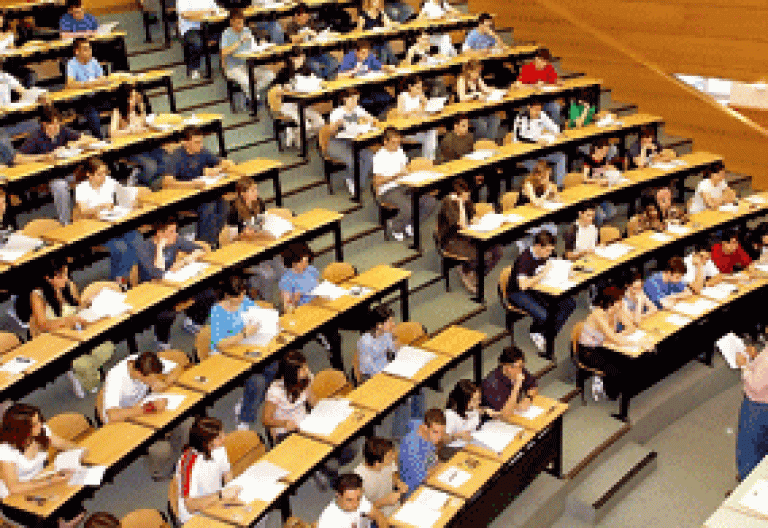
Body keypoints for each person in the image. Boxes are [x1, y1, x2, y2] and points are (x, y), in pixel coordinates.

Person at [21, 258, 114, 398]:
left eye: (66, 273)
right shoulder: (37, 295)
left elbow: (77, 307)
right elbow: (43, 325)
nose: (66, 278)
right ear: (48, 278)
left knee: (107, 348)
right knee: (83, 363)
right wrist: (67, 321)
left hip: (77, 330)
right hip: (55, 338)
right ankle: (85, 376)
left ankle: (86, 371)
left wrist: (88, 303)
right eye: (61, 275)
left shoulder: (69, 285)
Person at [102, 350, 190, 480]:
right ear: (138, 373)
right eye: (151, 379)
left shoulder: (142, 361)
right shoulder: (115, 377)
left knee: (186, 422)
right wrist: (150, 408)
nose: (155, 381)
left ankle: (177, 461)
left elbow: (177, 367)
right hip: (122, 420)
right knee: (161, 449)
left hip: (143, 410)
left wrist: (166, 383)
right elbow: (113, 416)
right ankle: (160, 472)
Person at [210, 275, 280, 432]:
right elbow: (219, 345)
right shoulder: (217, 312)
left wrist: (270, 322)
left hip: (246, 349)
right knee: (257, 381)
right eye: (238, 296)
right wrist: (243, 335)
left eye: (243, 293)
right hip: (226, 357)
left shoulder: (245, 302)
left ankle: (247, 401)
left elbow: (258, 316)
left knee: (273, 366)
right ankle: (245, 418)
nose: (242, 297)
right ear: (227, 295)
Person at [136, 217, 217, 348]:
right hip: (153, 291)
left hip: (174, 283)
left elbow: (201, 249)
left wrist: (183, 262)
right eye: (172, 231)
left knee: (209, 294)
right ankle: (161, 340)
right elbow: (157, 273)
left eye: (175, 230)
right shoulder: (143, 248)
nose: (176, 234)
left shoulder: (176, 240)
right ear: (160, 233)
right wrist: (160, 248)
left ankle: (194, 322)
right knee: (167, 314)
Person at [0, 404, 85, 528]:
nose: (40, 425)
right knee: (45, 520)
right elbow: (14, 488)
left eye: (39, 420)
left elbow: (61, 443)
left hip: (40, 482)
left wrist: (81, 451)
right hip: (15, 496)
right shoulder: (5, 450)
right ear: (21, 429)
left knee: (76, 509)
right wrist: (50, 481)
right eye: (34, 424)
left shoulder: (41, 431)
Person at [16, 107, 95, 225]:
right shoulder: (36, 137)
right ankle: (66, 223)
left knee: (91, 175)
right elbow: (17, 159)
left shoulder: (62, 130)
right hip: (48, 177)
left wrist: (71, 145)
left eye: (58, 123)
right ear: (44, 124)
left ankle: (91, 215)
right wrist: (43, 157)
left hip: (67, 171)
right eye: (53, 124)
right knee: (60, 187)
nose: (57, 127)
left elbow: (88, 139)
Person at [356, 305, 424, 437]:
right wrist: (388, 376)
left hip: (388, 370)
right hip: (372, 377)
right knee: (403, 395)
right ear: (379, 325)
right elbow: (366, 368)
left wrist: (401, 349)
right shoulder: (365, 342)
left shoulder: (386, 334)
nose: (393, 324)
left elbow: (394, 350)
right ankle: (400, 433)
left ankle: (417, 422)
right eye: (390, 321)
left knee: (418, 387)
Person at [505, 231, 576, 354]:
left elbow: (555, 263)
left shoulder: (548, 253)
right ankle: (536, 331)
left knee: (569, 304)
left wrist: (567, 272)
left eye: (551, 250)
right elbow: (523, 285)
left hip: (540, 287)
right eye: (547, 251)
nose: (549, 254)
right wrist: (543, 273)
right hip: (518, 293)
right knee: (545, 315)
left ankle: (545, 334)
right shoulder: (525, 258)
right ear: (538, 246)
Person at [74, 158, 142, 285]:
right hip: (95, 230)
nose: (104, 177)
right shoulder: (81, 188)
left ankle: (127, 279)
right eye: (99, 174)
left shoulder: (109, 182)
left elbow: (124, 194)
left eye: (105, 173)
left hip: (113, 224)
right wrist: (101, 207)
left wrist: (131, 202)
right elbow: (83, 211)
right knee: (121, 247)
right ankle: (120, 281)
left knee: (136, 239)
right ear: (89, 175)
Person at [163, 128, 234, 245]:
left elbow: (225, 163)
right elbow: (167, 182)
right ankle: (204, 244)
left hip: (202, 194)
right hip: (184, 198)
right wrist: (191, 185)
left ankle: (208, 242)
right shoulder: (176, 156)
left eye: (201, 141)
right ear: (186, 143)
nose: (200, 145)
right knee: (208, 206)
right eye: (197, 142)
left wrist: (217, 169)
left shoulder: (202, 151)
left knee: (223, 202)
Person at [579, 287, 652, 400]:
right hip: (588, 351)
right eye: (619, 300)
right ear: (611, 302)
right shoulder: (598, 315)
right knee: (617, 368)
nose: (622, 302)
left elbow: (631, 327)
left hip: (605, 346)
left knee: (629, 362)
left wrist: (619, 336)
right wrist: (638, 343)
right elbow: (614, 339)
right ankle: (608, 390)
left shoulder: (617, 310)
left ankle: (622, 390)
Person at [436, 179, 502, 294]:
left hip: (468, 236)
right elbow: (461, 225)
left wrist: (475, 219)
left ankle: (474, 273)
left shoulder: (467, 200)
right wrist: (461, 205)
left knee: (497, 251)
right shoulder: (448, 203)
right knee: (482, 255)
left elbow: (472, 217)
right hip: (451, 240)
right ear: (457, 196)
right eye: (466, 196)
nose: (468, 198)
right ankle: (466, 272)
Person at [372, 127, 437, 241]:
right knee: (408, 207)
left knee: (430, 202)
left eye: (398, 142)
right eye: (393, 143)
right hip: (387, 190)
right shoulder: (379, 157)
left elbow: (405, 168)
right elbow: (377, 182)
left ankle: (410, 224)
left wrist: (409, 172)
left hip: (403, 185)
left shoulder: (400, 151)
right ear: (385, 142)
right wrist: (395, 176)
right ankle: (396, 226)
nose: (396, 145)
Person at [225, 177, 284, 302]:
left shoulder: (259, 203)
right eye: (252, 190)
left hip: (261, 247)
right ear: (243, 193)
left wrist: (262, 229)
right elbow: (231, 238)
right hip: (246, 255)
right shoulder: (233, 210)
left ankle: (286, 303)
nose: (256, 192)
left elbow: (260, 224)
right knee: (268, 275)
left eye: (256, 189)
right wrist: (242, 235)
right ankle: (267, 305)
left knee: (282, 271)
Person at [176, 416, 241, 523]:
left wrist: (231, 491)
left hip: (214, 503)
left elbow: (227, 473)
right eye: (219, 437)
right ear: (206, 443)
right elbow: (190, 506)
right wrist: (220, 495)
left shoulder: (219, 448)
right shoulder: (187, 464)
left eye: (223, 433)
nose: (224, 438)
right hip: (195, 517)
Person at [109, 82, 166, 190]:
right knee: (151, 166)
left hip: (145, 145)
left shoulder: (138, 109)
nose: (135, 100)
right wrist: (129, 131)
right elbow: (112, 133)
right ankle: (137, 180)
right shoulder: (118, 112)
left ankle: (148, 184)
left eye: (135, 97)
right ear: (125, 98)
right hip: (130, 149)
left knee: (166, 160)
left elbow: (143, 125)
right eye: (132, 97)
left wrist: (142, 109)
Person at [221, 9, 275, 109]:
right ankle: (254, 99)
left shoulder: (246, 30)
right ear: (231, 22)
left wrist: (263, 47)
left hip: (247, 65)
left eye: (241, 23)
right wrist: (239, 42)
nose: (239, 26)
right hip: (233, 67)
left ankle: (249, 94)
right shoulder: (226, 33)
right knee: (247, 81)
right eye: (236, 23)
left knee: (270, 75)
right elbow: (223, 52)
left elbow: (253, 48)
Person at [326, 89, 377, 195]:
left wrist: (370, 119)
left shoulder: (357, 109)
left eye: (357, 99)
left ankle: (357, 183)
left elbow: (373, 119)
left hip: (353, 142)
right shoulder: (337, 112)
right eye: (352, 99)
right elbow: (331, 132)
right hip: (337, 143)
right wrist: (336, 125)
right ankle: (351, 181)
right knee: (352, 160)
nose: (355, 102)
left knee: (369, 157)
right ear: (345, 99)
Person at [273, 51, 325, 148]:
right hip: (288, 105)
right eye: (297, 58)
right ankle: (298, 138)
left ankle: (297, 134)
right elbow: (274, 90)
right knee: (306, 125)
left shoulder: (307, 70)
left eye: (302, 58)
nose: (300, 60)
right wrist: (283, 89)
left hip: (302, 104)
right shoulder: (284, 72)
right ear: (291, 59)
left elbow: (314, 83)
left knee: (320, 122)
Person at [262, 349, 316, 443]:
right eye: (302, 369)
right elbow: (265, 419)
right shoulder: (275, 390)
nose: (306, 370)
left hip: (303, 422)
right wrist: (284, 423)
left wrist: (328, 404)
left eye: (306, 366)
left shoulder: (307, 378)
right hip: (285, 429)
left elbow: (312, 400)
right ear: (291, 373)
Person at [734, 340, 768, 480]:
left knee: (748, 448)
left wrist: (744, 367)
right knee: (764, 443)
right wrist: (756, 358)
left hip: (758, 407)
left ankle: (747, 481)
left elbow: (755, 386)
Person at [513, 102, 568, 187]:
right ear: (529, 107)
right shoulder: (520, 118)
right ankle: (540, 190)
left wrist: (557, 133)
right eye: (535, 110)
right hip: (525, 156)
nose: (537, 112)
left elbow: (553, 126)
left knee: (561, 157)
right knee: (540, 169)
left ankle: (559, 186)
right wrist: (536, 141)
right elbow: (520, 137)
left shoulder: (541, 115)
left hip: (539, 151)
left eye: (539, 109)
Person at [66, 38, 110, 139]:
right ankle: (99, 139)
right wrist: (90, 84)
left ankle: (114, 134)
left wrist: (92, 83)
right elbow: (70, 84)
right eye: (85, 49)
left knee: (119, 100)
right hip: (81, 99)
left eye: (90, 49)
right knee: (91, 111)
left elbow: (103, 80)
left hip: (97, 96)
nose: (89, 52)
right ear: (77, 51)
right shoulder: (72, 64)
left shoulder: (94, 61)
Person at [337, 40, 394, 116]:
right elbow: (339, 76)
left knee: (388, 98)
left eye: (367, 52)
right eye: (363, 53)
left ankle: (379, 119)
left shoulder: (369, 56)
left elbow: (380, 66)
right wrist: (353, 71)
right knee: (369, 102)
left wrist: (388, 67)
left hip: (370, 86)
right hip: (357, 89)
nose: (365, 56)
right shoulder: (349, 58)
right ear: (356, 52)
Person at [354, 437, 408, 517]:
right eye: (389, 457)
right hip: (378, 516)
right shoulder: (358, 479)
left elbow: (393, 473)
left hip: (396, 508)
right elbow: (359, 511)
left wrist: (397, 481)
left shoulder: (388, 462)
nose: (393, 457)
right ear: (377, 463)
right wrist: (382, 502)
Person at [443, 379, 498, 458]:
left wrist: (486, 410)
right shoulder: (450, 415)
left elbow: (478, 411)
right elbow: (444, 440)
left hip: (473, 442)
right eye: (474, 400)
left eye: (479, 398)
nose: (478, 402)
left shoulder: (472, 408)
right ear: (463, 401)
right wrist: (459, 435)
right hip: (456, 448)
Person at [398, 408, 445, 497]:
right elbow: (424, 478)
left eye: (442, 432)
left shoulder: (427, 431)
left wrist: (439, 466)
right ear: (424, 427)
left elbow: (433, 461)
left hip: (430, 474)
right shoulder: (412, 449)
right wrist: (439, 468)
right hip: (415, 491)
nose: (439, 437)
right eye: (436, 432)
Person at [284, 4, 337, 79]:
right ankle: (320, 82)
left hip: (316, 51)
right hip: (303, 55)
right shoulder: (291, 25)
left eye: (307, 17)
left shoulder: (310, 22)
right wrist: (305, 32)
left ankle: (325, 81)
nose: (306, 19)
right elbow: (292, 39)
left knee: (333, 62)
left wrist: (325, 35)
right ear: (296, 16)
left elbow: (318, 33)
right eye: (304, 17)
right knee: (315, 66)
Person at [317, 473, 389, 528]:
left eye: (358, 498)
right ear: (338, 495)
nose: (356, 504)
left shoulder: (357, 498)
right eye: (349, 500)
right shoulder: (327, 521)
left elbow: (378, 516)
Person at [481, 347, 538, 415]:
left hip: (512, 412)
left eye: (522, 366)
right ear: (506, 367)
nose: (521, 370)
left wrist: (528, 398)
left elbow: (533, 386)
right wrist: (517, 385)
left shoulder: (519, 371)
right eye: (518, 366)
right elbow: (505, 414)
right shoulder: (491, 385)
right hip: (494, 419)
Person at [456, 59, 501, 141]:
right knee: (482, 125)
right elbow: (462, 98)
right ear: (469, 71)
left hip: (480, 110)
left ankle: (488, 144)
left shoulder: (477, 79)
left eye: (478, 72)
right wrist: (475, 95)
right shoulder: (462, 80)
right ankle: (479, 145)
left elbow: (485, 89)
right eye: (475, 72)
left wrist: (497, 91)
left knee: (495, 119)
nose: (477, 74)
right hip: (469, 113)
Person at [177, 0, 221, 79]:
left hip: (207, 26)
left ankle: (227, 66)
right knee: (197, 42)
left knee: (223, 34)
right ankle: (194, 69)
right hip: (190, 28)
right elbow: (185, 14)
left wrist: (215, 11)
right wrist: (206, 11)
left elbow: (217, 9)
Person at [396, 77, 437, 160]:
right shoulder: (402, 96)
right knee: (429, 137)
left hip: (418, 129)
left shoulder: (420, 96)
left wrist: (424, 100)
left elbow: (429, 109)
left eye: (421, 88)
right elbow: (399, 115)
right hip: (407, 132)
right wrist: (412, 112)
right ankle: (429, 161)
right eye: (417, 88)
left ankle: (428, 161)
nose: (419, 90)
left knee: (431, 132)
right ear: (410, 87)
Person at [516, 49, 561, 123]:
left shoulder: (549, 67)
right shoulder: (527, 68)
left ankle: (556, 130)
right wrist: (533, 86)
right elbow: (517, 85)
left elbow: (554, 80)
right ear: (537, 59)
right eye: (543, 61)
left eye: (546, 61)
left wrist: (558, 82)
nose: (545, 64)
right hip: (531, 103)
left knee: (555, 107)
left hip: (545, 100)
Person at [401, 32, 449, 97]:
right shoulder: (413, 50)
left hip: (432, 73)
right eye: (424, 39)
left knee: (439, 79)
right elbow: (407, 65)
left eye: (427, 39)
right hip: (419, 76)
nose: (426, 41)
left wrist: (439, 56)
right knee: (436, 81)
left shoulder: (431, 48)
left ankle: (443, 99)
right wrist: (417, 62)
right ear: (418, 39)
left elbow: (442, 57)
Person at [357, 0, 396, 65]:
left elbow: (389, 25)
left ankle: (391, 65)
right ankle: (382, 66)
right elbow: (359, 30)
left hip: (380, 39)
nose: (375, 1)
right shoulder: (363, 14)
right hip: (368, 41)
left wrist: (385, 17)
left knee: (385, 45)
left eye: (377, 0)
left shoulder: (381, 13)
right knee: (382, 47)